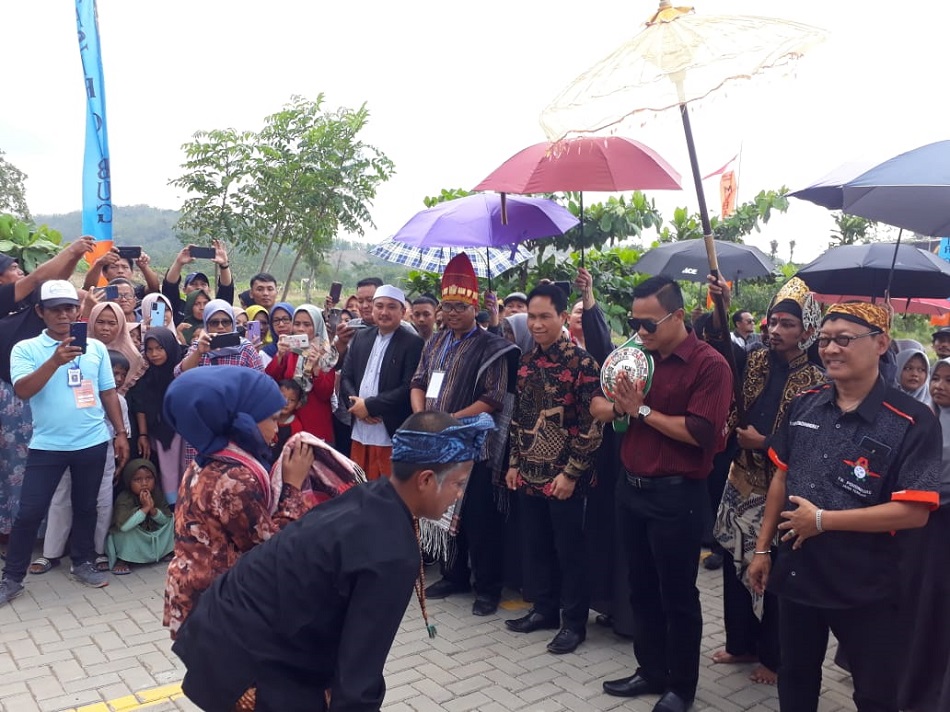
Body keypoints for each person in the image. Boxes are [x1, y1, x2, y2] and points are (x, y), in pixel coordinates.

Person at [170, 411, 491, 712]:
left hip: (223, 627)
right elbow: (358, 678)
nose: (459, 495)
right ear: (424, 480)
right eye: (458, 483)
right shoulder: (391, 552)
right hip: (243, 660)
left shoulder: (371, 495)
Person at [747, 302, 940, 712]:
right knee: (795, 676)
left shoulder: (911, 419)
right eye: (826, 339)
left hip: (869, 582)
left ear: (880, 343)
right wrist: (763, 549)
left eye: (845, 339)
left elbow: (914, 511)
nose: (831, 349)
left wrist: (822, 520)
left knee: (874, 692)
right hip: (798, 569)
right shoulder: (806, 403)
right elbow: (781, 477)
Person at [592, 275, 733, 712]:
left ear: (679, 316)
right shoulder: (632, 358)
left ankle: (681, 685)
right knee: (640, 588)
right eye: (635, 322)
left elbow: (701, 433)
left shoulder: (710, 365)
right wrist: (619, 407)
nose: (641, 332)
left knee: (678, 594)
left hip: (677, 495)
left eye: (649, 323)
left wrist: (642, 411)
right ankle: (650, 669)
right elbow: (599, 407)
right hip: (630, 488)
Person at [708, 277, 826, 686]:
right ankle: (741, 643)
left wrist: (766, 442)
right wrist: (722, 304)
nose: (776, 330)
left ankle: (774, 657)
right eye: (773, 321)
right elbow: (722, 350)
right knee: (733, 562)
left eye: (788, 324)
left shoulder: (816, 379)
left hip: (780, 487)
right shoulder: (756, 358)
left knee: (772, 572)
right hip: (741, 477)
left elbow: (808, 438)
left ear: (808, 330)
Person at [0, 280, 130, 605]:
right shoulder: (26, 349)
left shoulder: (96, 349)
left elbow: (107, 392)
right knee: (29, 512)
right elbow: (23, 390)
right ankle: (12, 578)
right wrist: (55, 361)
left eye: (70, 307)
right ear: (40, 312)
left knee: (86, 507)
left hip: (92, 442)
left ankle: (82, 562)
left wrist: (121, 433)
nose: (64, 314)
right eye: (56, 309)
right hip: (47, 446)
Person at [162, 366, 317, 637]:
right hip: (221, 608)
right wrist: (293, 486)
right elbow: (273, 548)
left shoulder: (208, 461)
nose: (277, 429)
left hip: (199, 597)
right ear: (240, 420)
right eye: (271, 418)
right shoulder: (234, 478)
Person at [411, 253, 518, 617]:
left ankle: (487, 588)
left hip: (476, 446)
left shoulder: (493, 347)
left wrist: (450, 419)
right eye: (448, 306)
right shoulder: (435, 342)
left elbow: (493, 398)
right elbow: (419, 381)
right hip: (437, 442)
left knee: (478, 519)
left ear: (475, 307)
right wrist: (421, 415)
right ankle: (453, 575)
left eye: (460, 306)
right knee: (442, 510)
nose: (452, 313)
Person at [503, 284, 604, 655]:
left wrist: (572, 473)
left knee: (570, 551)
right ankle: (544, 609)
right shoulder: (526, 362)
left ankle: (574, 623)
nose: (537, 324)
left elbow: (594, 426)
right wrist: (514, 462)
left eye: (545, 316)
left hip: (565, 478)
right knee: (538, 545)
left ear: (563, 317)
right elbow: (519, 417)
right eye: (532, 316)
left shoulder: (582, 363)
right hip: (529, 472)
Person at [0, 237, 97, 541]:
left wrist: (73, 257)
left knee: (30, 468)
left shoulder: (30, 305)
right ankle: (14, 533)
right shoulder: (7, 299)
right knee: (16, 469)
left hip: (36, 389)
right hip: (13, 390)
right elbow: (40, 278)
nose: (18, 271)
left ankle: (44, 534)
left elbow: (54, 283)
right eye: (13, 267)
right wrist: (72, 250)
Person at [341, 285, 424, 480]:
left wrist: (369, 406)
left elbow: (408, 387)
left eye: (391, 307)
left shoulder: (413, 343)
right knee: (359, 484)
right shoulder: (361, 337)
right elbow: (346, 376)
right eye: (379, 306)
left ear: (403, 312)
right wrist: (356, 406)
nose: (384, 312)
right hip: (359, 426)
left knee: (387, 488)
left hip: (389, 429)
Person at [128, 327, 186, 504]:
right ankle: (171, 508)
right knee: (166, 472)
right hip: (159, 434)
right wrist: (144, 435)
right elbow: (141, 406)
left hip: (183, 432)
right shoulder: (145, 374)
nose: (154, 354)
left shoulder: (181, 370)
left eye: (160, 348)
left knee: (185, 468)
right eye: (150, 349)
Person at [264, 304, 337, 443]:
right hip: (290, 422)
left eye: (307, 324)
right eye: (296, 324)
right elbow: (271, 380)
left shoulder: (326, 354)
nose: (300, 329)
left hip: (315, 422)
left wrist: (316, 369)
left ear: (317, 326)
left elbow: (325, 393)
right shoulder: (291, 350)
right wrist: (279, 355)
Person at [106, 459, 174, 575]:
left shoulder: (156, 493)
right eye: (138, 479)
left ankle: (164, 552)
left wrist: (153, 511)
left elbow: (165, 521)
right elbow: (124, 527)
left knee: (173, 519)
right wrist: (145, 509)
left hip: (150, 534)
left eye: (149, 478)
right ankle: (124, 560)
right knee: (126, 532)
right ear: (129, 481)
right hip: (134, 538)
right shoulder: (124, 498)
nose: (144, 483)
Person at [161, 241, 234, 324]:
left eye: (203, 284)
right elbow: (170, 286)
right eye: (193, 284)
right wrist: (178, 263)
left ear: (209, 290)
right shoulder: (178, 307)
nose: (199, 287)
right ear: (184, 290)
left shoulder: (215, 310)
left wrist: (224, 265)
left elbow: (226, 290)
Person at [89, 301, 147, 395]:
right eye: (100, 322)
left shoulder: (133, 357)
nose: (105, 328)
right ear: (92, 322)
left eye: (112, 323)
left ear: (120, 325)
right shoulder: (81, 350)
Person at [82, 248, 161, 301]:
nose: (120, 271)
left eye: (125, 267)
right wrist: (99, 264)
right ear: (105, 273)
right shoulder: (101, 294)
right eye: (114, 267)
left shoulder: (137, 292)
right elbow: (88, 289)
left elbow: (154, 287)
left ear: (132, 272)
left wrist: (144, 267)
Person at [270, 379, 304, 462]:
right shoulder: (267, 418)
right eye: (282, 397)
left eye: (291, 400)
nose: (286, 402)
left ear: (298, 404)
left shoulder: (296, 426)